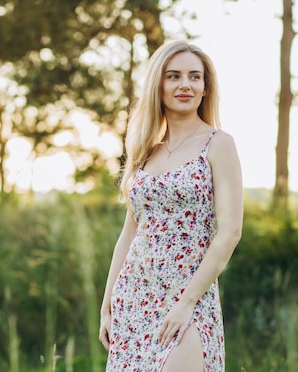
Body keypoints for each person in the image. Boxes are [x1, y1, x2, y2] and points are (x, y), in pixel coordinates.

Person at [99, 40, 243, 372]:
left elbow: (231, 232)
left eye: (195, 77)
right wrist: (108, 305)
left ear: (206, 88)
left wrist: (186, 303)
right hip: (134, 298)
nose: (185, 85)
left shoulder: (218, 144)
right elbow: (130, 233)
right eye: (174, 76)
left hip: (189, 298)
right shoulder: (144, 150)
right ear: (158, 85)